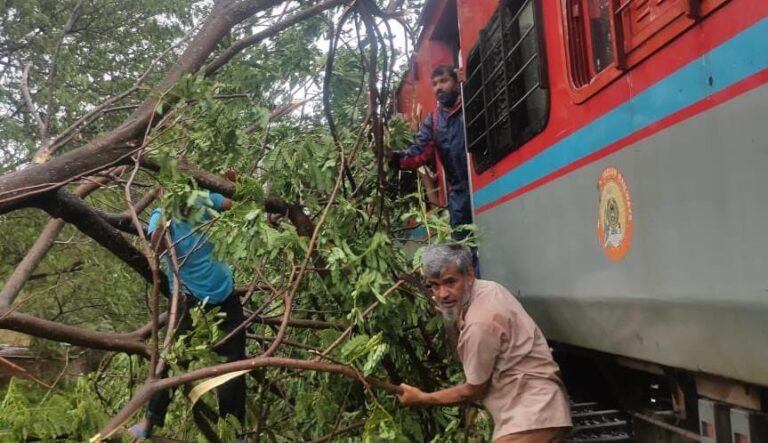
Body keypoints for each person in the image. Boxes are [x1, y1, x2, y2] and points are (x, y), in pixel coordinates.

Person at [397, 244, 572, 443]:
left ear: (469, 275)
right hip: (540, 410)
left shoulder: (479, 324)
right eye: (434, 286)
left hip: (531, 417)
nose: (442, 294)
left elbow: (473, 390)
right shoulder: (490, 289)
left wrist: (422, 398)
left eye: (449, 282)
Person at [129, 191, 246, 442]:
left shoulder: (204, 200)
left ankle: (235, 434)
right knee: (170, 361)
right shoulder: (161, 215)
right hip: (187, 300)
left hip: (225, 296)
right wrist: (164, 222)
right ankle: (150, 419)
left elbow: (237, 206)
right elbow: (156, 245)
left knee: (234, 366)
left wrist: (233, 187)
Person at [389, 65, 478, 271]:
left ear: (456, 82)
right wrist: (392, 157)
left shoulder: (471, 102)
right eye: (435, 84)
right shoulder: (434, 121)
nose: (439, 87)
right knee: (465, 253)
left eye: (444, 81)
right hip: (459, 198)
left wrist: (471, 84)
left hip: (485, 183)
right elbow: (418, 155)